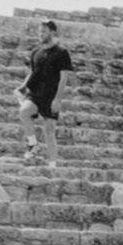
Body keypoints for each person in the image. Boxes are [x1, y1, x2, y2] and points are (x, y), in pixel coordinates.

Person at [17, 19, 74, 166]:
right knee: (24, 111)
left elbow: (64, 78)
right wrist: (23, 86)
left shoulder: (62, 52)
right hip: (35, 93)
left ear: (52, 32)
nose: (40, 34)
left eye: (44, 31)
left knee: (49, 131)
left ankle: (52, 165)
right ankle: (33, 144)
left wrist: (58, 100)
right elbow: (33, 72)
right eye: (39, 31)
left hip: (51, 96)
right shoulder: (36, 52)